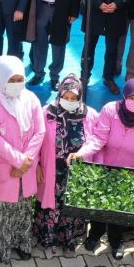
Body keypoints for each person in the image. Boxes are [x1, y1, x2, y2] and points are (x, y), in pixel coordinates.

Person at [68, 78, 134, 259]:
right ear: (124, 96)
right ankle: (94, 235)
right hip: (104, 166)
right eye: (131, 97)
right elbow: (99, 138)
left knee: (120, 211)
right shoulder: (110, 110)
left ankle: (116, 241)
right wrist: (81, 153)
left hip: (129, 171)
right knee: (99, 206)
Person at [0, 55, 46, 263]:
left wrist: (26, 161)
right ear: (0, 78)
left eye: (19, 79)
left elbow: (39, 132)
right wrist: (19, 161)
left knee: (22, 208)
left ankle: (22, 243)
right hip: (3, 167)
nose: (16, 84)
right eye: (11, 80)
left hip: (26, 168)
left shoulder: (31, 99)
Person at [34, 74, 98, 256]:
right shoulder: (46, 113)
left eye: (73, 98)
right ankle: (47, 239)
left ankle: (69, 241)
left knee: (72, 205)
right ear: (59, 94)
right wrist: (37, 165)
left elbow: (97, 141)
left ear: (80, 97)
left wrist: (84, 156)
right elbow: (36, 140)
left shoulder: (90, 115)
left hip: (77, 173)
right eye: (66, 97)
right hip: (51, 170)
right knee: (50, 205)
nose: (69, 101)